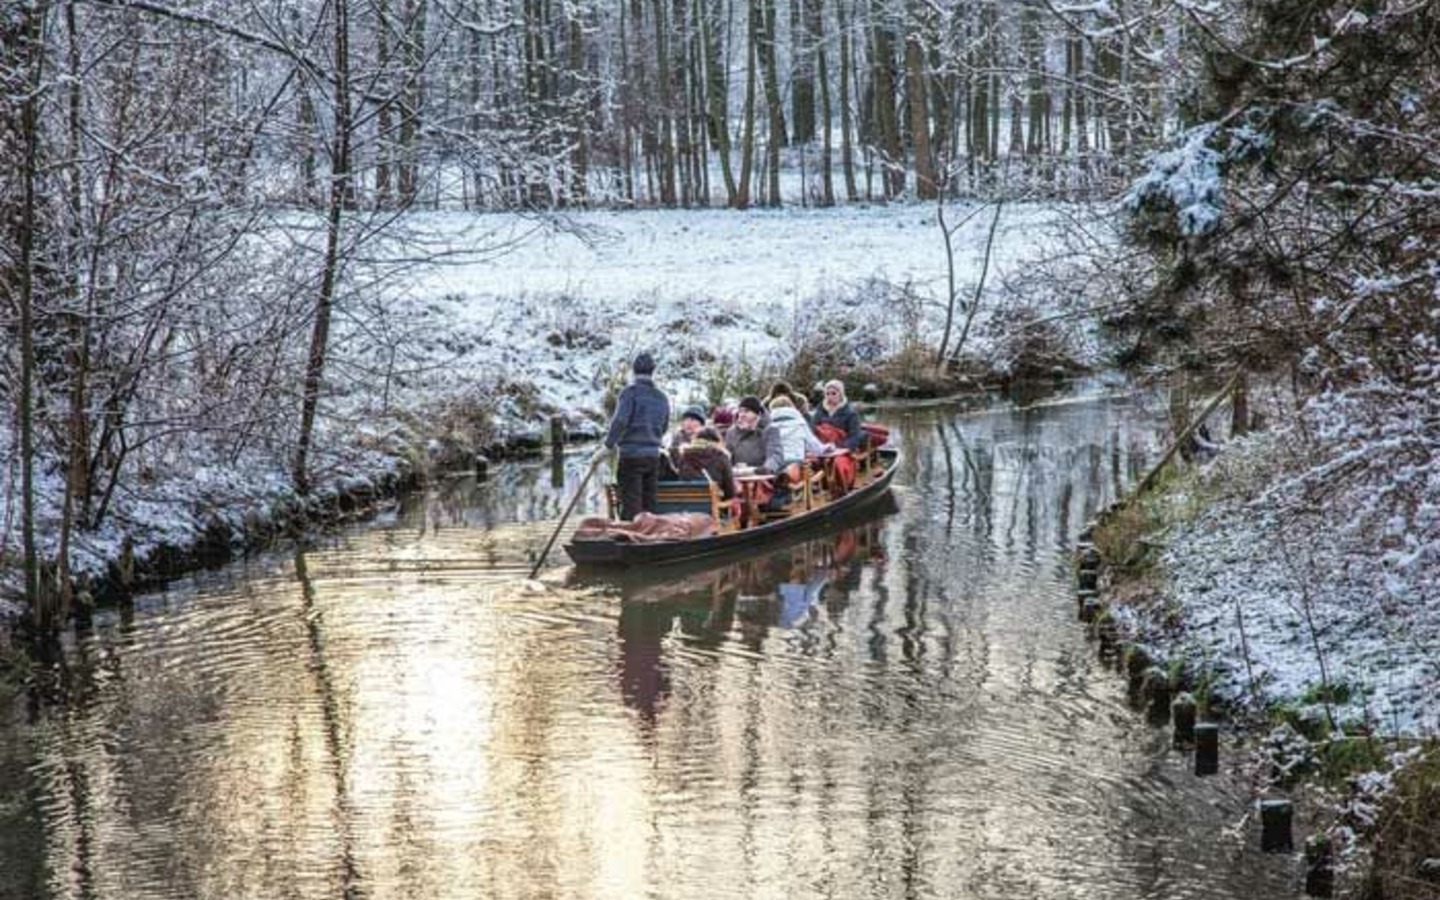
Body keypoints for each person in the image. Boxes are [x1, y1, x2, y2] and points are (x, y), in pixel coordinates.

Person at [600, 352, 670, 520]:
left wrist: (608, 445)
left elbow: (620, 421)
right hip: (653, 457)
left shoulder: (629, 393)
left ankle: (631, 533)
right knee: (649, 505)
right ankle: (650, 533)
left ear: (634, 371)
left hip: (630, 456)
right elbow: (664, 427)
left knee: (631, 505)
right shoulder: (662, 398)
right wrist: (651, 439)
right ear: (653, 371)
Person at [673, 426, 736, 500]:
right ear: (717, 441)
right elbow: (730, 490)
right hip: (713, 503)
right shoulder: (721, 457)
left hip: (689, 502)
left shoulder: (685, 456)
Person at [811, 379, 864, 451]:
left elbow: (854, 436)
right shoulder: (820, 410)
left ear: (840, 394)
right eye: (827, 394)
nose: (830, 396)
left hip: (841, 447)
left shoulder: (851, 413)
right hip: (821, 446)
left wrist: (840, 447)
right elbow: (812, 430)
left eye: (833, 393)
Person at [724, 395, 771, 470]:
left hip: (762, 473)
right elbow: (727, 456)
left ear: (757, 414)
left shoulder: (769, 430)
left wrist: (766, 469)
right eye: (740, 411)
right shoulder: (732, 432)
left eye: (747, 411)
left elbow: (774, 456)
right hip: (739, 473)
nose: (742, 415)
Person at [663, 404, 707, 475]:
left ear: (701, 424)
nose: (688, 423)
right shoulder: (675, 438)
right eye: (686, 419)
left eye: (693, 420)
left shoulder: (706, 440)